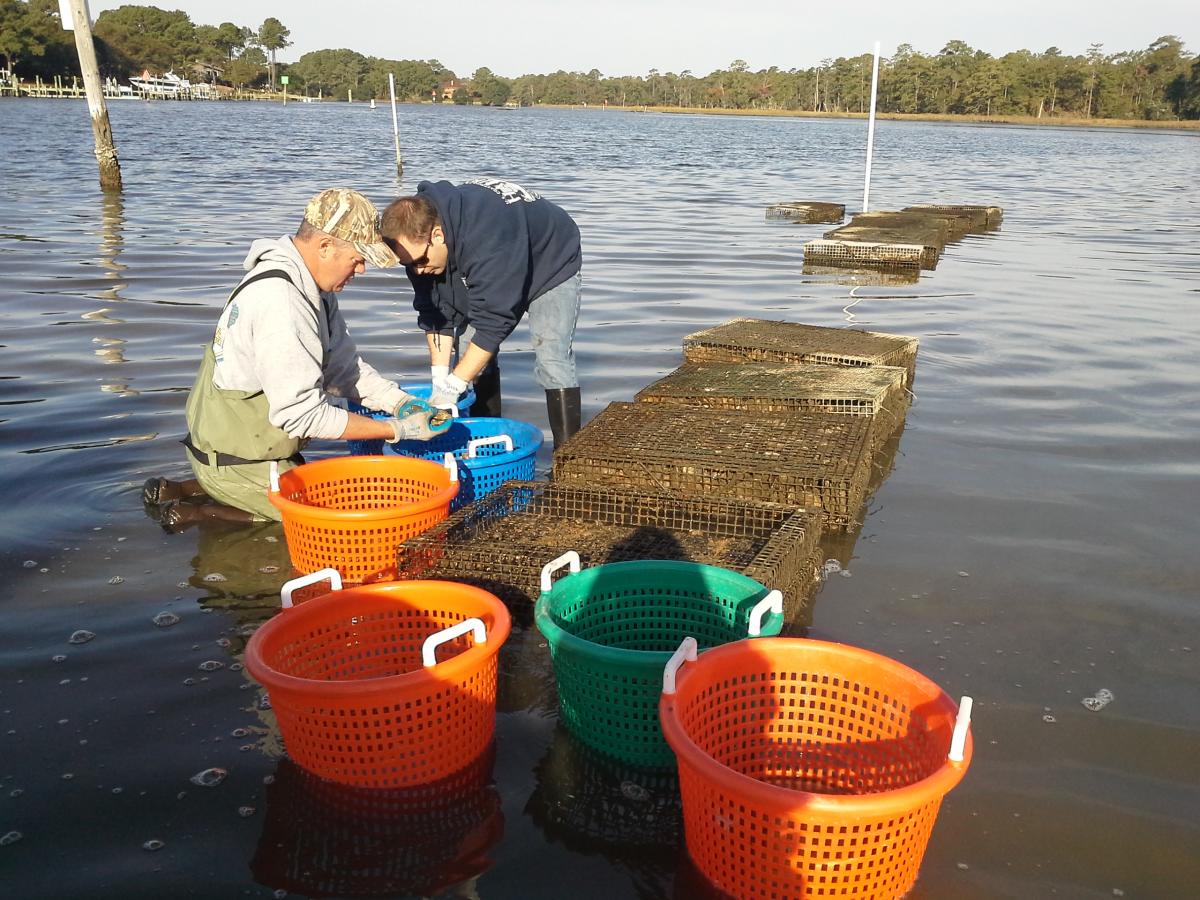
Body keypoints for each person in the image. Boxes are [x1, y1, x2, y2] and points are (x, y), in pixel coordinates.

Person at [143, 188, 448, 528]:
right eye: (358, 257)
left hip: (249, 450)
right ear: (325, 247)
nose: (361, 269)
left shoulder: (313, 288)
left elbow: (345, 370)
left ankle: (186, 490)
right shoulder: (282, 303)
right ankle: (202, 513)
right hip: (237, 458)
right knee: (332, 526)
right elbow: (302, 416)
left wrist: (400, 403)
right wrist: (395, 430)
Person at [379, 178, 582, 447]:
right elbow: (433, 312)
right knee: (470, 360)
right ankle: (489, 439)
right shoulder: (418, 251)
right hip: (491, 255)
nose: (417, 270)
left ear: (438, 235)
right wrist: (441, 379)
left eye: (420, 262)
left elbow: (494, 324)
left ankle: (565, 456)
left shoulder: (486, 240)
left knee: (552, 359)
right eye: (408, 265)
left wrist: (454, 386)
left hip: (550, 259)